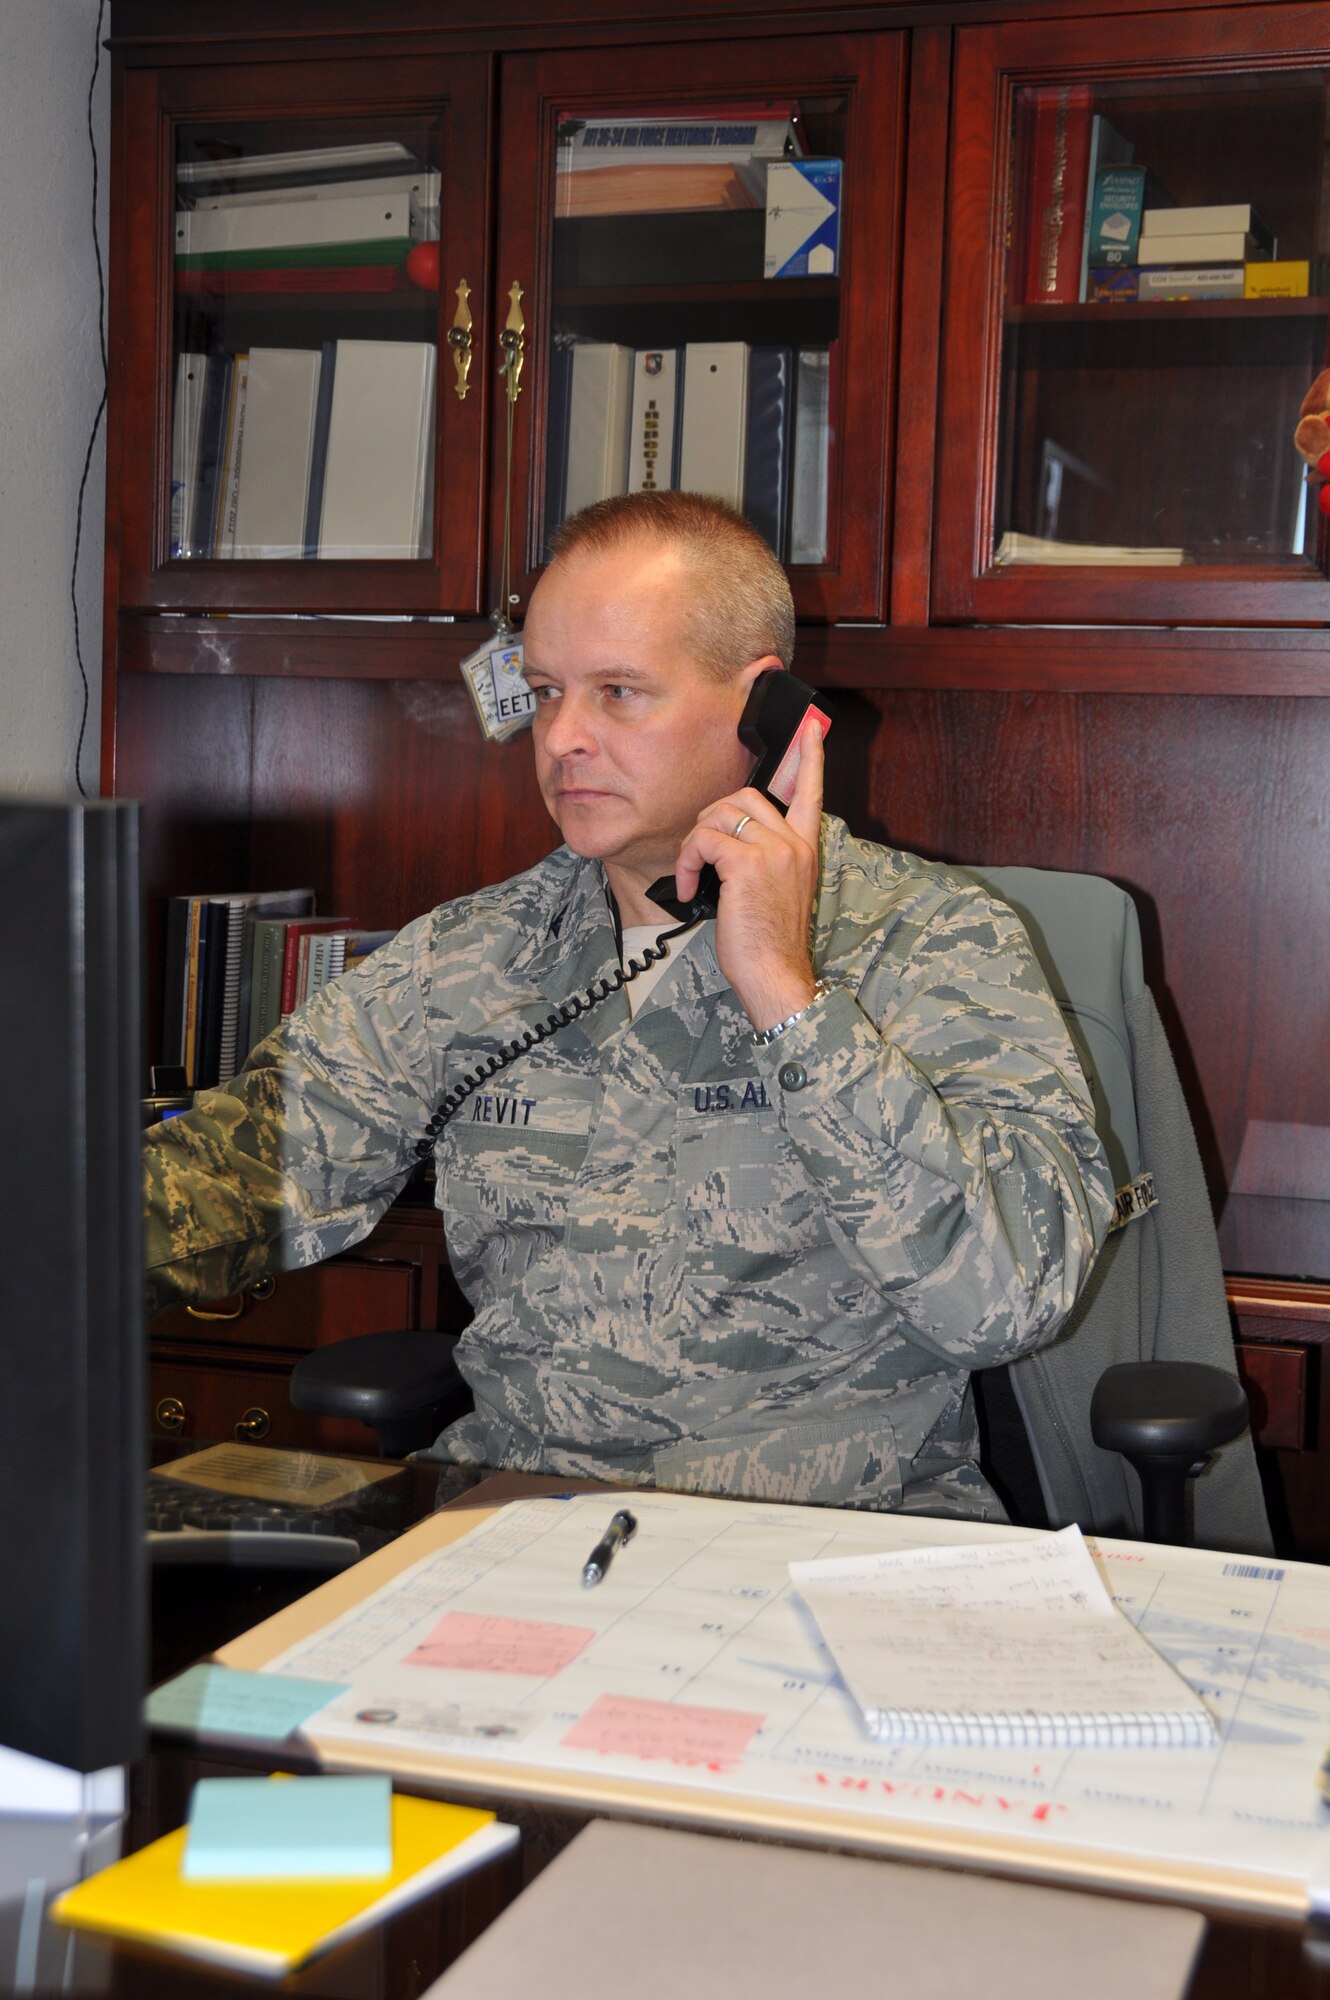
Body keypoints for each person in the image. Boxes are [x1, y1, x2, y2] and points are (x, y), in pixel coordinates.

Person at [144, 491, 1114, 1518]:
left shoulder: (934, 938)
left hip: (827, 1545)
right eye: (546, 690)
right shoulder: (473, 955)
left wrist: (789, 997)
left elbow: (1007, 1295)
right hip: (521, 1528)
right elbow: (241, 1168)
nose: (562, 736)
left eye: (617, 693)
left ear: (763, 708)